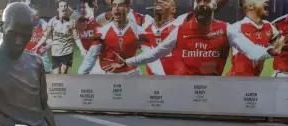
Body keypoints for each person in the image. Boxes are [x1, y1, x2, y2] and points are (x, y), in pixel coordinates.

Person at [102, 0, 287, 76]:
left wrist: (271, 50)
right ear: (194, 6)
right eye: (199, 1)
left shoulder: (227, 29)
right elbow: (155, 53)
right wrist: (127, 61)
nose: (202, 5)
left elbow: (252, 52)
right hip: (184, 90)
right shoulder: (181, 29)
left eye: (207, 1)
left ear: (213, 6)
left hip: (212, 89)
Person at [78, 0, 150, 75]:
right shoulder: (102, 32)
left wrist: (129, 62)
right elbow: (90, 58)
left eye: (120, 5)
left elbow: (149, 53)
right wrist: (82, 76)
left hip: (132, 75)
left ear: (128, 9)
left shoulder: (138, 31)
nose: (116, 8)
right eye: (114, 5)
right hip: (110, 76)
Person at [32, 0, 87, 74]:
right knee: (56, 75)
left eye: (65, 6)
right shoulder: (52, 21)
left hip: (67, 52)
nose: (63, 8)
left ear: (67, 8)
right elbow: (45, 36)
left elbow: (76, 38)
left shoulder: (71, 22)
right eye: (61, 6)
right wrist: (37, 46)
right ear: (58, 9)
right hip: (55, 53)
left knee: (63, 72)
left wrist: (82, 49)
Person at [227, 0, 279, 76]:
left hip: (255, 81)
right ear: (250, 6)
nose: (267, 0)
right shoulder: (236, 28)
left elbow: (281, 44)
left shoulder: (269, 27)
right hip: (237, 81)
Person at [142, 0, 181, 75]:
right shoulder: (145, 24)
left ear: (173, 9)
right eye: (156, 1)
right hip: (152, 82)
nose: (159, 1)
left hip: (174, 80)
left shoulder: (180, 26)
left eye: (166, 0)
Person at [25, 7, 52, 73]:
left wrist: (46, 47)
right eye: (33, 15)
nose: (35, 17)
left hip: (41, 55)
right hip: (27, 56)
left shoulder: (44, 25)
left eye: (37, 15)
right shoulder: (25, 24)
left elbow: (50, 41)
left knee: (46, 74)